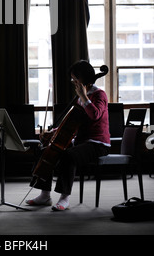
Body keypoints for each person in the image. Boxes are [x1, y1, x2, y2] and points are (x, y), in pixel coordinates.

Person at [26, 60, 110, 211]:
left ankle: (65, 198)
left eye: (75, 79)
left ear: (83, 79)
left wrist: (84, 97)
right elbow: (72, 122)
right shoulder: (80, 97)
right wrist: (54, 132)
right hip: (81, 142)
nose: (73, 82)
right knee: (46, 149)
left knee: (68, 156)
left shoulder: (99, 95)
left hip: (98, 144)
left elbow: (95, 115)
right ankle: (45, 195)